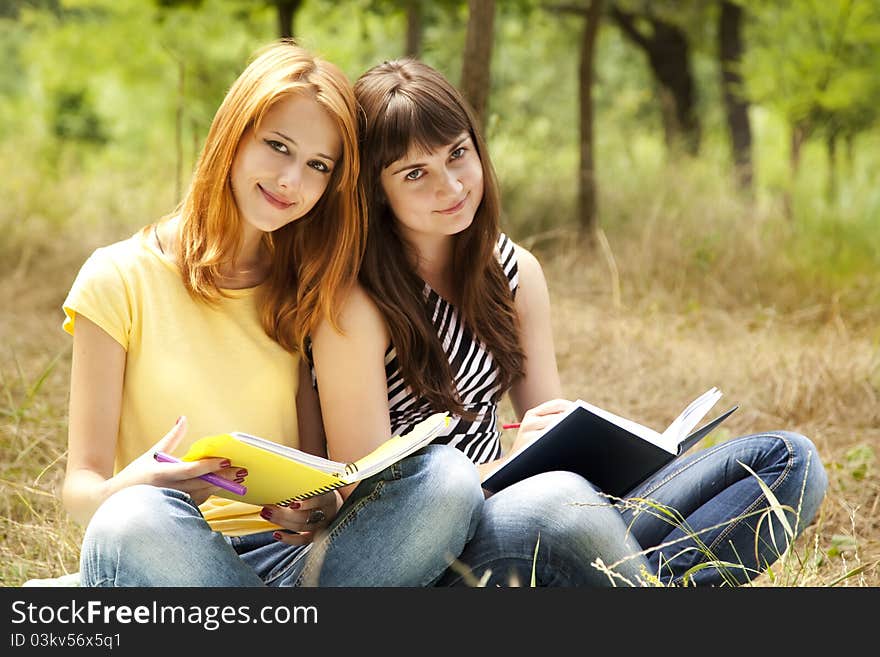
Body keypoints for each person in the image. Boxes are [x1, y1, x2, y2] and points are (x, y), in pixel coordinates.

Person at [306, 57, 828, 587]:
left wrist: (597, 446)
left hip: (551, 513)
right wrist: (498, 473)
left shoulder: (513, 273)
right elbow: (367, 493)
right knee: (559, 501)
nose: (450, 185)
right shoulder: (355, 302)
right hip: (443, 545)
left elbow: (549, 432)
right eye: (415, 173)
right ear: (375, 190)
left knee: (788, 462)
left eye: (458, 154)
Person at [61, 41, 483, 587]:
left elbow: (321, 482)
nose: (291, 181)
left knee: (447, 480)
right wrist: (134, 486)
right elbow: (81, 492)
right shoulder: (117, 277)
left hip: (295, 567)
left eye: (317, 166)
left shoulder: (310, 287)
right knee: (132, 521)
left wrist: (312, 508)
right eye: (277, 147)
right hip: (171, 552)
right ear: (232, 136)